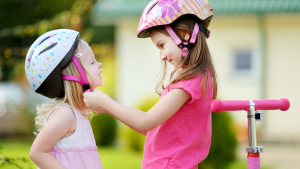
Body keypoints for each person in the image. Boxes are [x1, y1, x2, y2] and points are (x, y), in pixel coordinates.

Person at [84, 0, 217, 168]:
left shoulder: (190, 79)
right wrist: (107, 108)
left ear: (184, 34)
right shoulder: (197, 76)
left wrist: (104, 101)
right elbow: (154, 126)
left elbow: (146, 122)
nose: (162, 55)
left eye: (162, 45)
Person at [26, 29, 103, 169]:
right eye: (92, 62)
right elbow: (37, 152)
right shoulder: (66, 114)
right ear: (74, 74)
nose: (100, 64)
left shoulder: (76, 112)